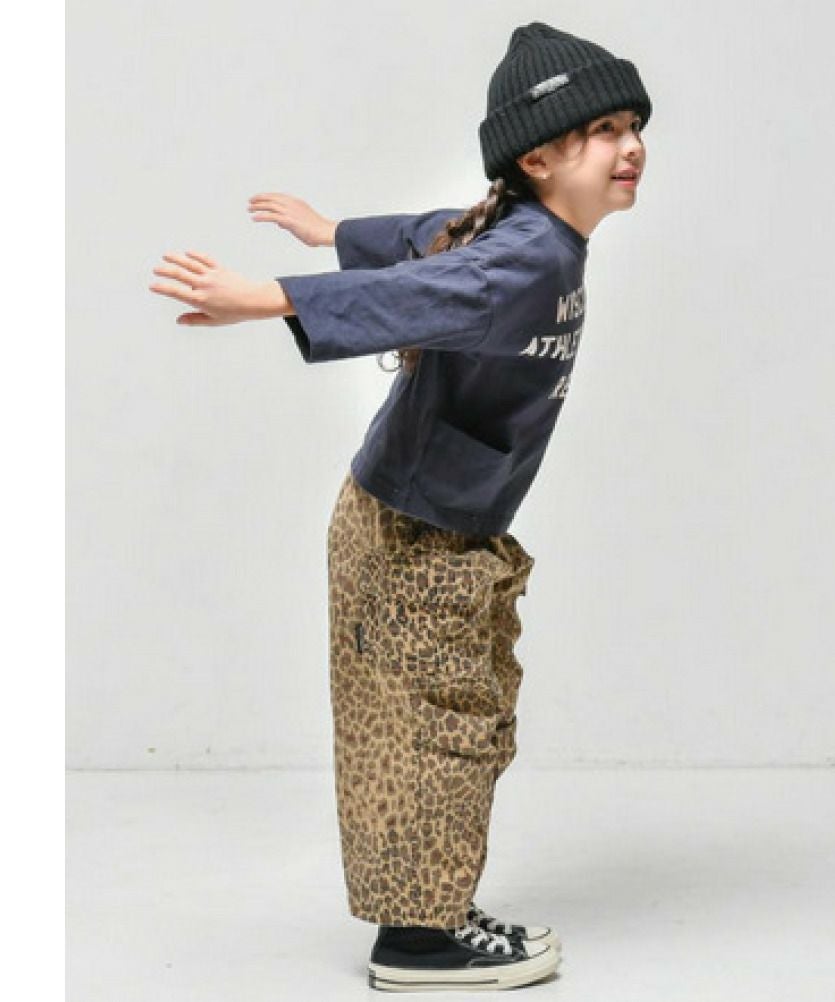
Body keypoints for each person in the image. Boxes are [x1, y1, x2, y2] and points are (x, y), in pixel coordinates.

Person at [149, 20, 651, 993]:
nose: (630, 146)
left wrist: (331, 233)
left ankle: (434, 911)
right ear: (538, 158)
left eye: (633, 125)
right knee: (432, 733)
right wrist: (271, 297)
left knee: (453, 722)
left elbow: (433, 235)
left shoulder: (520, 231)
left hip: (439, 529)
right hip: (410, 537)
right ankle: (418, 943)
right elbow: (427, 284)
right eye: (603, 130)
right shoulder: (528, 258)